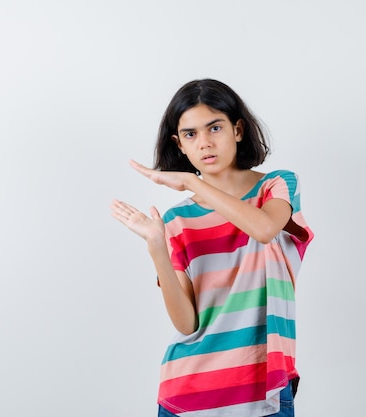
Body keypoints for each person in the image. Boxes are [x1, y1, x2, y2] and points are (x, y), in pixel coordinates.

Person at [110, 79, 313, 417]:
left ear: (237, 129)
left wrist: (191, 181)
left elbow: (263, 229)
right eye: (190, 134)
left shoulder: (276, 186)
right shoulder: (178, 220)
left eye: (214, 127)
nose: (204, 143)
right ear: (180, 144)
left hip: (264, 392)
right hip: (189, 394)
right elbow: (187, 324)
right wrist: (157, 247)